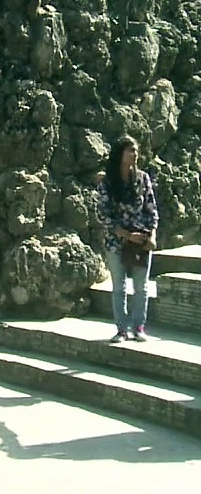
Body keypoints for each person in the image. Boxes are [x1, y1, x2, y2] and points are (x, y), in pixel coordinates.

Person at [96, 134, 159, 343]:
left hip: (141, 240)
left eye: (136, 151)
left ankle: (139, 327)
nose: (135, 154)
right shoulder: (107, 182)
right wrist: (126, 235)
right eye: (130, 150)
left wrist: (152, 236)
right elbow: (103, 215)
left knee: (141, 286)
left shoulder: (143, 179)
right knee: (119, 286)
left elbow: (151, 209)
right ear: (120, 154)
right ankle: (121, 329)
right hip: (116, 241)